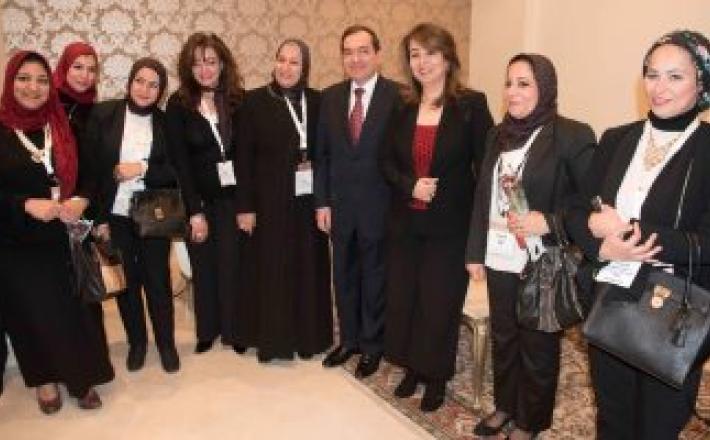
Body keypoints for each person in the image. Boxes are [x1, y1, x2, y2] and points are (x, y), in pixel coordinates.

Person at [565, 30, 710, 439]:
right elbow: (576, 210)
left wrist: (629, 232)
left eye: (675, 76)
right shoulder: (617, 138)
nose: (659, 87)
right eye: (652, 74)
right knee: (612, 418)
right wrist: (601, 245)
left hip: (675, 313)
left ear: (701, 84)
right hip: (611, 299)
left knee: (657, 427)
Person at [466, 53, 595, 438]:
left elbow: (590, 202)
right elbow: (483, 196)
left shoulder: (571, 135)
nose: (513, 92)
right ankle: (506, 406)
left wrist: (550, 222)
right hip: (498, 253)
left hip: (541, 258)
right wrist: (474, 251)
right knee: (504, 336)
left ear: (545, 87)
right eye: (509, 83)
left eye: (524, 83)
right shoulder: (497, 135)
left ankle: (530, 420)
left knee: (537, 344)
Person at [380, 23, 493, 412]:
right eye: (414, 54)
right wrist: (410, 185)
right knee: (405, 298)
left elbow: (486, 168)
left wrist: (482, 230)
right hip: (405, 224)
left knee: (438, 303)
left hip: (450, 227)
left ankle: (436, 376)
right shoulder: (402, 105)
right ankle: (413, 367)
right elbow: (385, 161)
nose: (422, 62)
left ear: (448, 58)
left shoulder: (471, 105)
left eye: (430, 53)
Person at [0, 50, 114, 414]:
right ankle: (44, 379)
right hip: (17, 242)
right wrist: (24, 204)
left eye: (41, 80)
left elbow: (91, 175)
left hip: (67, 237)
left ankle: (82, 377)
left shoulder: (63, 124)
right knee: (32, 313)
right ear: (10, 82)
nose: (33, 88)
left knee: (77, 313)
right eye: (23, 79)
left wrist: (81, 199)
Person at [235, 39, 332, 362]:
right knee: (272, 269)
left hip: (307, 201)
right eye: (281, 59)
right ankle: (274, 341)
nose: (286, 68)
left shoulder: (318, 101)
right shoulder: (253, 102)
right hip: (268, 203)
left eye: (294, 62)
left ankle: (307, 338)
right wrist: (245, 207)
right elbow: (243, 159)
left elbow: (326, 153)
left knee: (307, 267)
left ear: (305, 68)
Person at [314, 24, 401, 377]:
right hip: (340, 208)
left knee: (375, 278)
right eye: (348, 52)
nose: (355, 58)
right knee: (344, 276)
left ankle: (372, 346)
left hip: (381, 207)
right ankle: (349, 340)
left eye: (363, 51)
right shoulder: (330, 97)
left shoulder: (399, 97)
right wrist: (322, 202)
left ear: (377, 54)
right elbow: (322, 156)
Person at [85, 57, 180, 373]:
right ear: (129, 82)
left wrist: (141, 168)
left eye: (153, 85)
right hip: (115, 214)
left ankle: (166, 344)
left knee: (158, 281)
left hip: (153, 211)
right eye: (140, 81)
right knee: (127, 283)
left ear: (160, 91)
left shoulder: (166, 123)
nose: (145, 89)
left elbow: (176, 170)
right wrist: (98, 219)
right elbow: (92, 171)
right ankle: (137, 343)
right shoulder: (104, 114)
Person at [165, 32, 245, 354]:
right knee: (204, 264)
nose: (204, 70)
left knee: (233, 264)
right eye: (197, 64)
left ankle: (235, 329)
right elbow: (180, 163)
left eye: (210, 62)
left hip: (234, 199)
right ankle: (207, 330)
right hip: (199, 200)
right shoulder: (178, 104)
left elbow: (247, 155)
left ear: (223, 64)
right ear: (188, 68)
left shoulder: (238, 100)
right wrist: (194, 211)